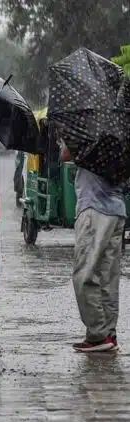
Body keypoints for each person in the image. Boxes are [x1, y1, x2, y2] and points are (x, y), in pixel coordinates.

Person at [61, 142, 126, 352]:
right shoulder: (119, 131)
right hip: (117, 209)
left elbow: (65, 155)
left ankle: (98, 334)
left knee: (84, 274)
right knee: (107, 276)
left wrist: (65, 139)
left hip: (94, 209)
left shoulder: (86, 131)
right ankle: (109, 334)